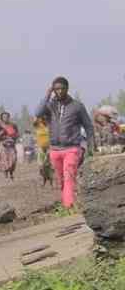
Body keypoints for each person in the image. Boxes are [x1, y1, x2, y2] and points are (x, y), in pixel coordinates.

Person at [35, 77, 95, 208]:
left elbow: (88, 126)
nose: (60, 91)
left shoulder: (77, 106)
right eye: (57, 89)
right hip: (55, 150)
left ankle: (68, 206)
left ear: (67, 89)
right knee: (61, 180)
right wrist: (47, 94)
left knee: (69, 177)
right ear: (53, 90)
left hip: (72, 148)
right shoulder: (50, 105)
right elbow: (38, 113)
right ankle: (67, 202)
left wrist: (91, 145)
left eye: (62, 88)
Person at [0, 112, 19, 181]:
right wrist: (0, 135)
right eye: (4, 117)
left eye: (7, 117)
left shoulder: (13, 125)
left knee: (13, 160)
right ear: (2, 118)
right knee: (4, 161)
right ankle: (6, 175)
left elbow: (17, 134)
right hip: (3, 145)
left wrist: (14, 137)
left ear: (9, 117)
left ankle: (11, 173)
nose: (5, 118)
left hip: (11, 145)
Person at [33, 117, 54, 186]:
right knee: (41, 166)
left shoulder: (50, 125)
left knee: (49, 166)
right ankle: (43, 181)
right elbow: (34, 122)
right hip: (40, 147)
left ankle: (51, 182)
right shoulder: (37, 125)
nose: (42, 120)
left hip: (49, 147)